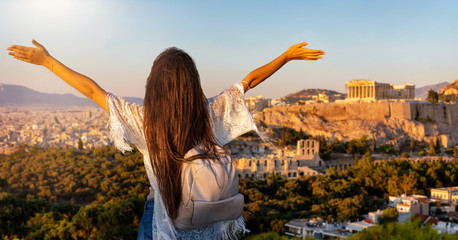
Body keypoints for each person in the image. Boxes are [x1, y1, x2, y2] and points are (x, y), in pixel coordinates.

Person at [7, 40, 325, 239]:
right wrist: (285, 56)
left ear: (154, 85)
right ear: (192, 82)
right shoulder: (209, 113)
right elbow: (248, 82)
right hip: (209, 221)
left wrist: (47, 61)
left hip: (164, 223)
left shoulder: (146, 122)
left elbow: (93, 91)